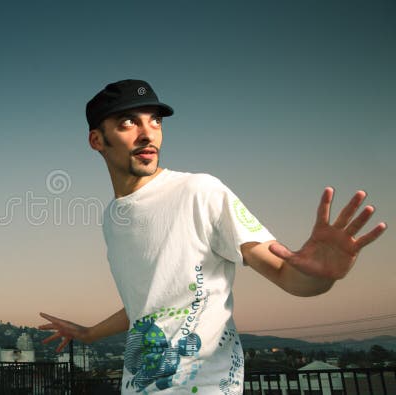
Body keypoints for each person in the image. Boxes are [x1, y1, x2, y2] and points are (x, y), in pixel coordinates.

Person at [38, 79, 387, 394]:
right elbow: (149, 306)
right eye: (128, 122)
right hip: (140, 386)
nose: (148, 133)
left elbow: (287, 276)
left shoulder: (200, 191)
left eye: (155, 120)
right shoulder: (111, 218)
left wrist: (320, 276)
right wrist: (87, 333)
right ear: (96, 140)